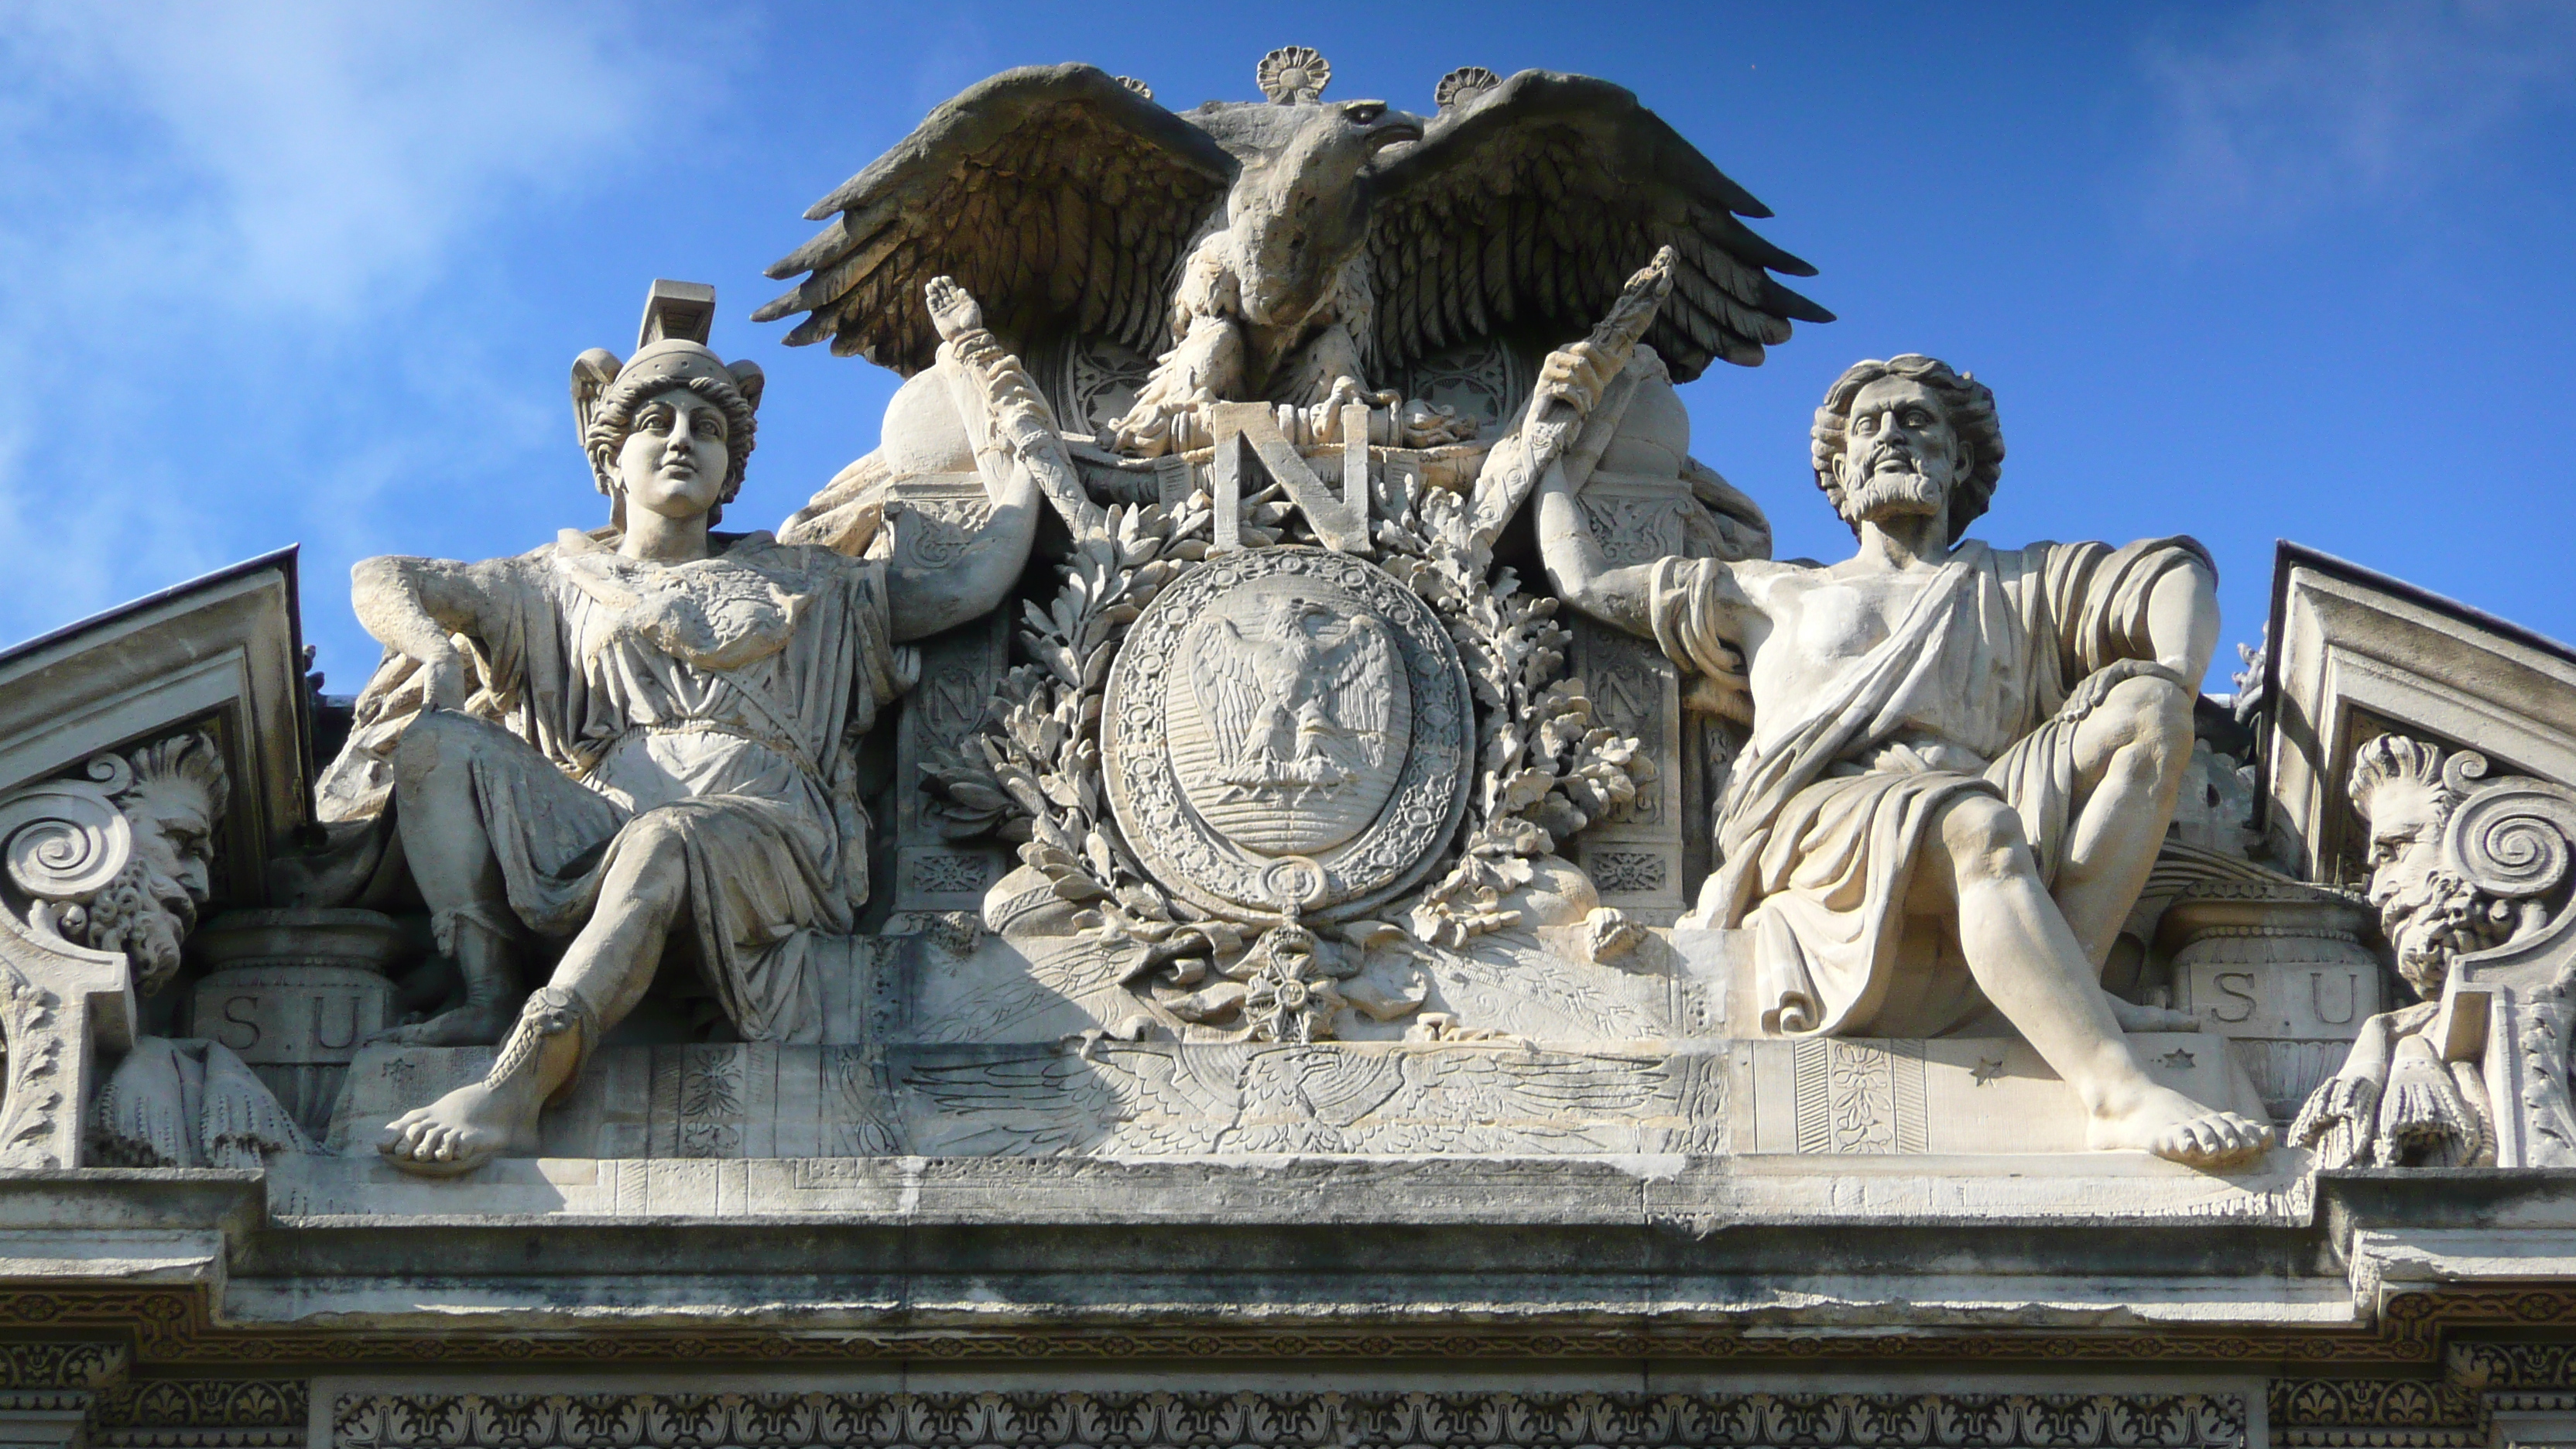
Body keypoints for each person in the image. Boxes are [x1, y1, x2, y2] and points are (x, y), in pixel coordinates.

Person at [1534, 331, 2269, 1169]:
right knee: (1969, 824)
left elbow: (2174, 575)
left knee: (2145, 713)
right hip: (1823, 826)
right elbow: (1587, 581)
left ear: (1959, 463)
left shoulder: (2021, 581)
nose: (1892, 435)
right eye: (1869, 427)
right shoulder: (1770, 589)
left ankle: (2068, 981)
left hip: (1991, 792)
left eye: (1918, 421)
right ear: (1841, 475)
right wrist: (1553, 443)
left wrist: (2171, 672)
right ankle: (2114, 1090)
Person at [355, 278, 1040, 1175]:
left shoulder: (813, 585)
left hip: (770, 837)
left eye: (707, 430)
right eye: (656, 424)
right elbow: (383, 575)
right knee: (438, 743)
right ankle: (486, 992)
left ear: (731, 471)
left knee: (668, 840)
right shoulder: (548, 583)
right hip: (595, 817)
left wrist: (1020, 435)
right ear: (610, 458)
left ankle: (519, 1083)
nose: (682, 440)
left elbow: (971, 582)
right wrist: (432, 652)